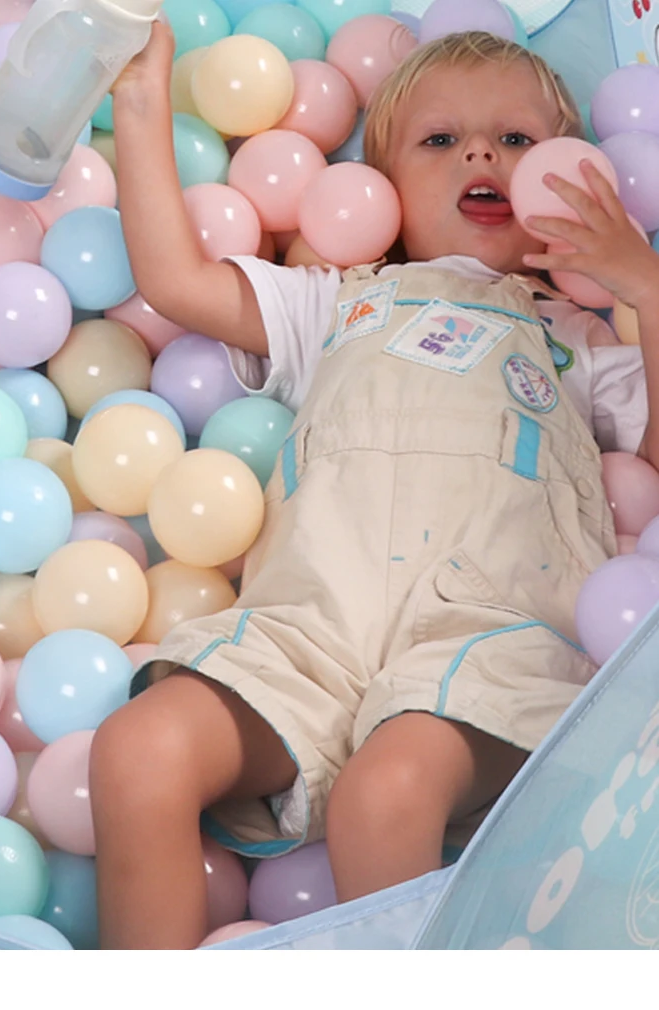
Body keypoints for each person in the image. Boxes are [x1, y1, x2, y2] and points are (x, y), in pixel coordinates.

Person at [89, 25, 659, 949]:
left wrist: (645, 288)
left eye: (516, 140)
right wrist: (140, 96)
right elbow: (177, 281)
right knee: (137, 747)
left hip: (484, 639)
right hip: (307, 632)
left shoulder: (576, 342)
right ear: (380, 189)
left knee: (384, 795)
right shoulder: (337, 300)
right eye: (440, 140)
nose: (481, 154)